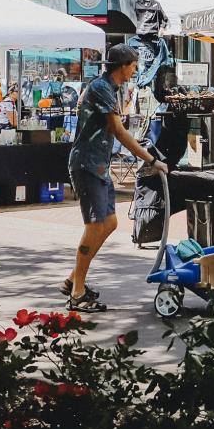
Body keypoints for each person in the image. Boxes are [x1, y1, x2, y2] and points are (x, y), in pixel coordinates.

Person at [65, 44, 168, 313]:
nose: (136, 69)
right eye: (133, 64)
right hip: (87, 165)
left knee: (109, 223)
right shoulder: (101, 88)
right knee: (95, 225)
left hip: (98, 165)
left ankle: (74, 278)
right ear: (122, 65)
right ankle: (77, 293)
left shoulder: (111, 88)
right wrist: (152, 160)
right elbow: (119, 132)